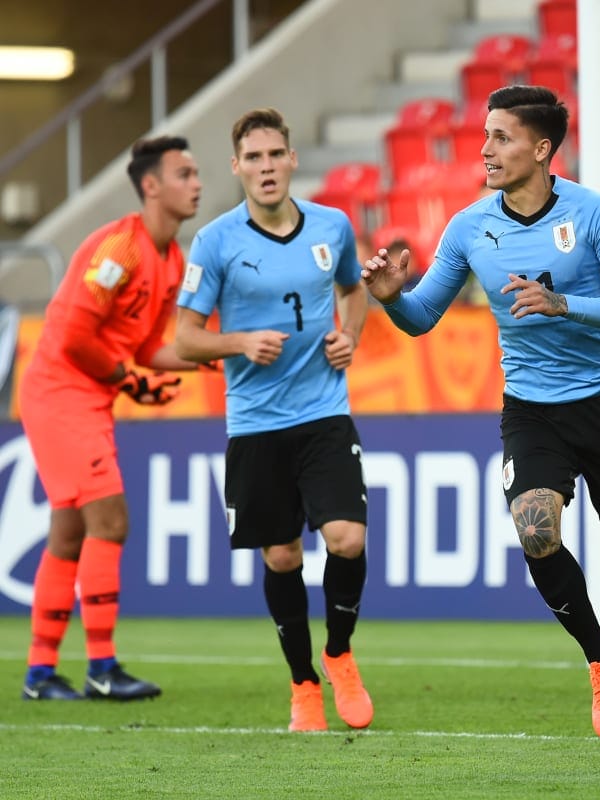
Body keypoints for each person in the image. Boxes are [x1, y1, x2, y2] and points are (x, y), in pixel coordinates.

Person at [361, 85, 600, 760]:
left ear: (540, 148)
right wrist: (391, 300)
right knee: (534, 528)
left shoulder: (597, 216)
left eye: (501, 137)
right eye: (486, 136)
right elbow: (421, 319)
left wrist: (564, 305)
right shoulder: (469, 227)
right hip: (531, 410)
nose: (485, 149)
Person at [174, 107, 372, 733]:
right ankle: (303, 683)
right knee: (283, 557)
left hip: (323, 413)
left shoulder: (333, 227)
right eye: (252, 158)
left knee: (348, 537)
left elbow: (354, 288)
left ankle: (338, 653)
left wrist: (351, 335)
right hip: (256, 423)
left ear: (291, 159)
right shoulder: (216, 242)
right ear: (237, 168)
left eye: (274, 155)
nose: (265, 167)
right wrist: (239, 342)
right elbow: (184, 338)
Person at [19, 135, 204, 701]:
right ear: (150, 186)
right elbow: (76, 337)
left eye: (196, 173)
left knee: (70, 531)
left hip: (84, 396)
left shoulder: (170, 258)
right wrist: (127, 380)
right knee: (112, 522)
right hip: (60, 393)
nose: (196, 183)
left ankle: (40, 673)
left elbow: (148, 346)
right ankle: (102, 667)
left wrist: (223, 355)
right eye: (184, 174)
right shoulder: (120, 250)